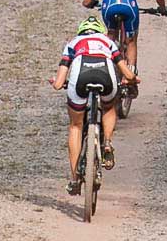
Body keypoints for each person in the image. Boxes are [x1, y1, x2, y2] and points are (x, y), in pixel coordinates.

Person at [50, 14, 136, 193]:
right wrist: (132, 79)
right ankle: (107, 143)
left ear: (81, 31)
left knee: (75, 125)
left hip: (80, 79)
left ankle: (74, 178)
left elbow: (58, 83)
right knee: (109, 107)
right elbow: (127, 73)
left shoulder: (73, 43)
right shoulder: (108, 42)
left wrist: (56, 83)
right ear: (101, 31)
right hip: (106, 78)